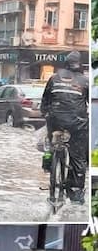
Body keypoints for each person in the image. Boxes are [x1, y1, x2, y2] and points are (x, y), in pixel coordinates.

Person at [40, 50, 89, 203]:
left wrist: (46, 114)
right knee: (78, 157)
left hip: (55, 121)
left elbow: (45, 102)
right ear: (79, 65)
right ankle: (75, 193)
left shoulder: (54, 78)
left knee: (50, 141)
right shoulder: (85, 81)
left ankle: (49, 160)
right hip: (77, 124)